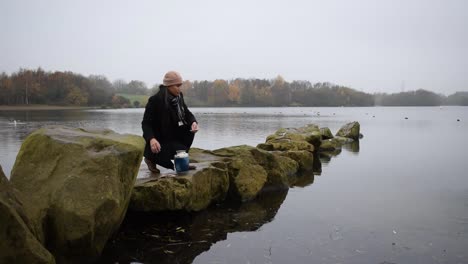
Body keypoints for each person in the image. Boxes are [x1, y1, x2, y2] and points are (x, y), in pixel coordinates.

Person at [141, 71, 199, 173]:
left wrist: (193, 122)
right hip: (159, 138)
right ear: (169, 86)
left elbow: (186, 113)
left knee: (188, 130)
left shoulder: (179, 96)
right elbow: (146, 124)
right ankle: (150, 158)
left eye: (180, 85)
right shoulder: (155, 100)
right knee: (162, 156)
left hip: (172, 134)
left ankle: (181, 161)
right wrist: (151, 139)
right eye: (177, 86)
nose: (180, 88)